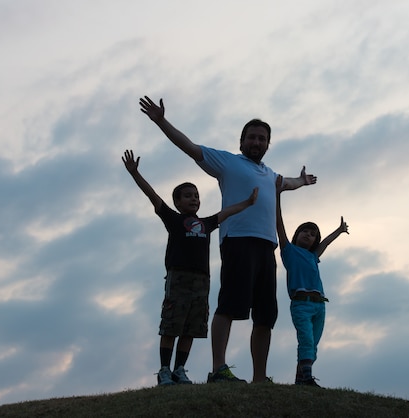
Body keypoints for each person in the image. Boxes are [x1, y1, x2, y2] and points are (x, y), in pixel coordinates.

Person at [139, 96, 317, 383]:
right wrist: (161, 121)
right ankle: (218, 369)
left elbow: (290, 183)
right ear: (241, 142)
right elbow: (190, 147)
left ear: (268, 144)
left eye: (262, 138)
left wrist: (302, 181)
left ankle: (260, 376)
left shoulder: (271, 175)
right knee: (230, 307)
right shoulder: (227, 163)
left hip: (266, 247)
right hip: (238, 241)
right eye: (251, 137)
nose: (256, 142)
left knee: (265, 316)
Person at [122, 149, 258, 386]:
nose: (193, 199)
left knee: (192, 327)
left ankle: (179, 370)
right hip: (179, 279)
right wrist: (135, 173)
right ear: (177, 202)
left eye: (196, 196)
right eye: (187, 196)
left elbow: (226, 212)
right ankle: (164, 370)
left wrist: (247, 203)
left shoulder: (206, 223)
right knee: (171, 325)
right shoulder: (173, 219)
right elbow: (152, 195)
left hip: (202, 282)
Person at [275, 175, 349, 387]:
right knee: (306, 340)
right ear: (297, 234)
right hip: (301, 304)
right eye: (305, 232)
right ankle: (306, 378)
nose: (309, 235)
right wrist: (277, 196)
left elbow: (325, 242)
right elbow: (279, 224)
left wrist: (340, 230)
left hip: (319, 306)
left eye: (313, 234)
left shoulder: (313, 256)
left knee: (313, 345)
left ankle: (301, 377)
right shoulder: (289, 251)